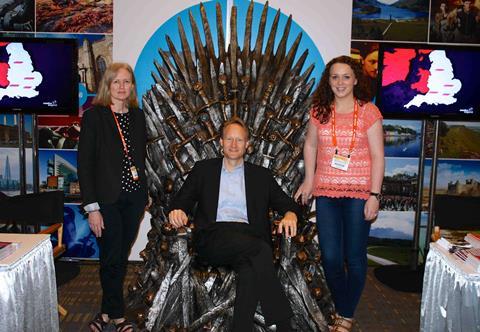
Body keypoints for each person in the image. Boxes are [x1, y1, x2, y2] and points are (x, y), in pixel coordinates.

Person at [168, 118, 300, 332]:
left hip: (249, 239)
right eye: (229, 138)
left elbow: (287, 203)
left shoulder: (261, 176)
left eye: (239, 140)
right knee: (260, 249)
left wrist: (291, 214)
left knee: (250, 270)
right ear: (220, 142)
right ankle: (283, 324)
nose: (233, 144)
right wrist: (179, 210)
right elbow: (182, 199)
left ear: (248, 145)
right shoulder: (203, 170)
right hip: (214, 237)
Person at [295, 56, 384, 332]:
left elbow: (378, 156)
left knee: (354, 257)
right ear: (328, 81)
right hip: (327, 193)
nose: (340, 82)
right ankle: (345, 309)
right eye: (335, 77)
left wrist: (374, 194)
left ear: (356, 79)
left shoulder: (369, 112)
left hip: (359, 194)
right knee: (331, 257)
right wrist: (310, 180)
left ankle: (344, 315)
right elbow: (310, 146)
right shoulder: (320, 111)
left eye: (346, 77)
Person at [78, 63, 148, 332]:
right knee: (111, 255)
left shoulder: (138, 117)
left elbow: (140, 158)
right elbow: (85, 164)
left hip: (133, 199)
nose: (122, 87)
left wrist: (145, 191)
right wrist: (92, 208)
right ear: (107, 86)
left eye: (127, 82)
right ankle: (118, 316)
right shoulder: (95, 116)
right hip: (105, 200)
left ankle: (106, 312)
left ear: (132, 86)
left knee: (119, 253)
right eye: (116, 82)